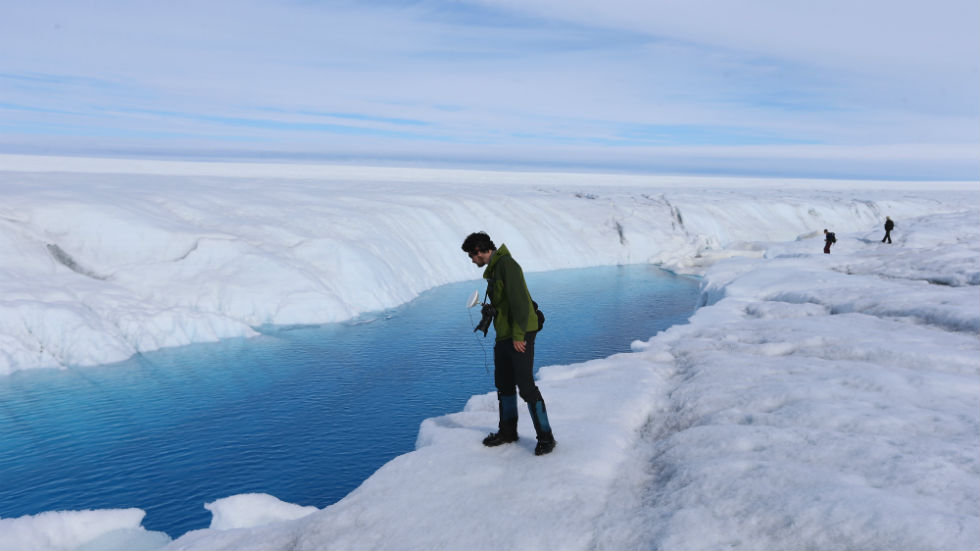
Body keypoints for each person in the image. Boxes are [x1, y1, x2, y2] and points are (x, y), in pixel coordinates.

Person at [461, 231, 556, 456]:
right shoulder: (494, 269)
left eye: (471, 256)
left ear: (480, 251)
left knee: (525, 386)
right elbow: (505, 302)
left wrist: (519, 335)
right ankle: (507, 432)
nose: (472, 260)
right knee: (503, 382)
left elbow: (521, 302)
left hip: (520, 332)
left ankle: (546, 438)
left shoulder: (507, 265)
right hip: (505, 334)